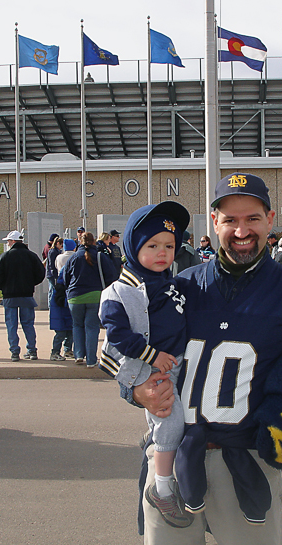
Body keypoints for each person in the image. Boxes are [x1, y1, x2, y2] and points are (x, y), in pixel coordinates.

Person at [130, 173, 282, 545]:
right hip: (172, 459)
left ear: (270, 219)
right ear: (214, 223)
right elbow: (133, 358)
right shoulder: (179, 289)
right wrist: (138, 392)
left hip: (249, 461)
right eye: (230, 220)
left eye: (252, 218)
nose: (241, 230)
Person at [99, 201, 191, 528]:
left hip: (180, 365)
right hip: (155, 370)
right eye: (152, 245)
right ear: (132, 247)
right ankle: (162, 487)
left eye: (169, 245)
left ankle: (158, 444)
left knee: (172, 420)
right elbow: (113, 346)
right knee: (171, 419)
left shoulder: (174, 283)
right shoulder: (121, 291)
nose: (162, 252)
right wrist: (149, 363)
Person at [61, 231, 118, 367]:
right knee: (91, 327)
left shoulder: (73, 257)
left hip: (74, 297)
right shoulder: (100, 256)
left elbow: (65, 278)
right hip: (95, 295)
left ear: (80, 241)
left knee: (77, 325)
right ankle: (91, 360)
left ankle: (79, 355)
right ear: (94, 241)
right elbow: (111, 275)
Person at [0, 231, 46, 361]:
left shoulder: (5, 256)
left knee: (11, 325)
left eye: (9, 241)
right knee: (28, 324)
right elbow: (40, 273)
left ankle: (14, 351)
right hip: (27, 295)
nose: (8, 243)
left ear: (13, 241)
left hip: (9, 296)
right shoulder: (31, 256)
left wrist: (4, 287)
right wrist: (31, 284)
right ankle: (32, 350)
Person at [45, 235, 64, 300]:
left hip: (52, 273)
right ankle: (50, 305)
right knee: (52, 290)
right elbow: (52, 265)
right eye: (61, 245)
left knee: (53, 290)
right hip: (52, 274)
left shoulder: (56, 251)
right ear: (57, 243)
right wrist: (55, 275)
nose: (62, 247)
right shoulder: (53, 251)